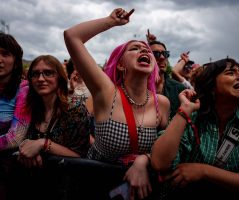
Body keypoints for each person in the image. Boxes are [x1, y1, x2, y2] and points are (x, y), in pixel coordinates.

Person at [151, 58, 239, 199]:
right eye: (231, 72)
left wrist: (204, 171)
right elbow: (160, 163)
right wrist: (184, 111)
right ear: (211, 86)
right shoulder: (193, 121)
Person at [64, 8, 169, 199]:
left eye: (146, 49)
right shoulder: (107, 93)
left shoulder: (161, 103)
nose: (144, 49)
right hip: (95, 187)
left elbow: (165, 152)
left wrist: (143, 161)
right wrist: (110, 21)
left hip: (142, 193)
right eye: (135, 48)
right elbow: (72, 36)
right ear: (121, 65)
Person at [18, 55, 91, 167]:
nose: (40, 79)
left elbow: (81, 156)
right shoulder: (29, 108)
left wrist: (43, 144)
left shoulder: (75, 110)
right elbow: (21, 139)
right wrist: (26, 150)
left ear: (60, 78)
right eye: (35, 74)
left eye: (48, 73)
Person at [0, 32, 31, 199]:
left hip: (7, 171)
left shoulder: (24, 90)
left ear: (16, 61)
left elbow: (15, 137)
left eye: (5, 54)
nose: (0, 59)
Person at [147, 37, 185, 119]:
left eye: (165, 54)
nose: (162, 57)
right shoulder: (137, 88)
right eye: (155, 54)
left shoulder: (179, 89)